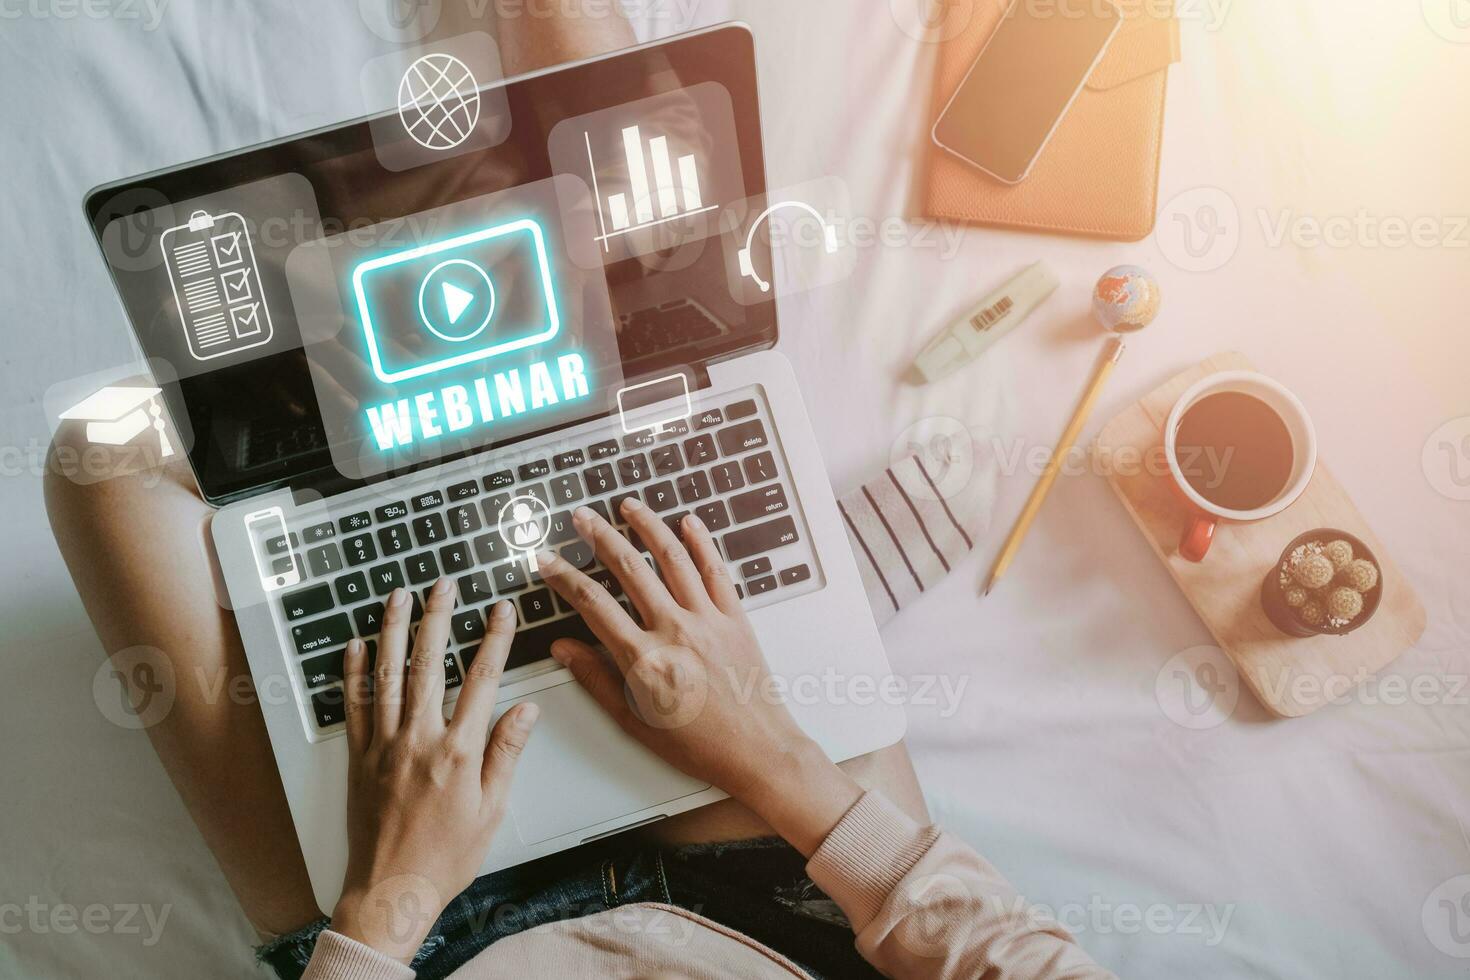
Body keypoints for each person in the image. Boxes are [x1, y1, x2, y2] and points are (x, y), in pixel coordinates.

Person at [42, 8, 1112, 978]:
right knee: (604, 131)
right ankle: (788, 583)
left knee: (100, 453)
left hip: (434, 931)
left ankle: (493, 440)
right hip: (791, 899)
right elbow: (1013, 957)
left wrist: (383, 902)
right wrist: (773, 750)